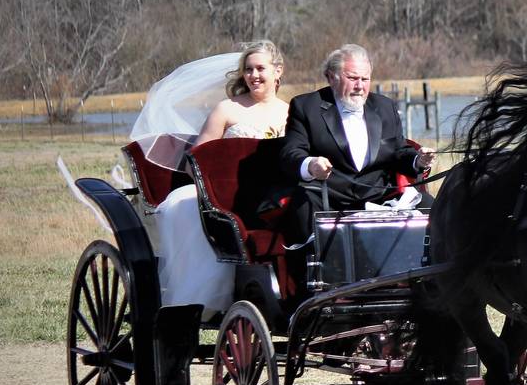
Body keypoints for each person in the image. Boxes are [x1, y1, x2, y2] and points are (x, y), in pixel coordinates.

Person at [153, 40, 289, 317]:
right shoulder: (227, 110)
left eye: (260, 68)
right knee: (188, 207)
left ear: (278, 71)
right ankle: (201, 296)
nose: (254, 75)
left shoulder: (291, 112)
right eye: (248, 69)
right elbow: (197, 161)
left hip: (271, 196)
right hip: (225, 194)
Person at [279, 44, 435, 241]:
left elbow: (399, 152)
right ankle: (316, 270)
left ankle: (428, 269)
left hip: (379, 197)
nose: (360, 86)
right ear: (331, 77)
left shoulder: (385, 106)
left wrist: (418, 160)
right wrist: (311, 165)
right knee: (303, 205)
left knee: (432, 207)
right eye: (352, 78)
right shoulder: (306, 106)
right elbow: (291, 154)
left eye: (365, 79)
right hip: (329, 198)